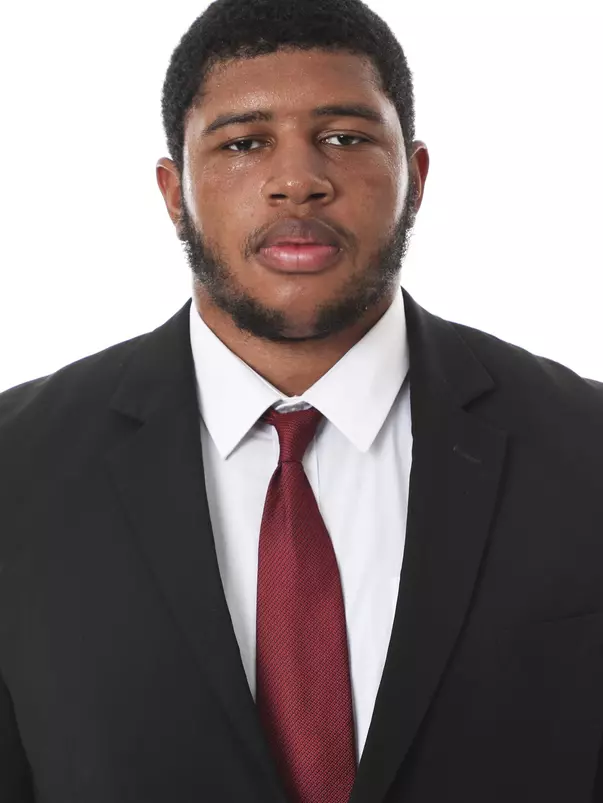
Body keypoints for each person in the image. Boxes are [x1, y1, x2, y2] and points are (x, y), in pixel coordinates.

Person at [1, 0, 602, 800]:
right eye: (244, 143)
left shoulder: (583, 449)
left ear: (414, 178)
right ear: (173, 192)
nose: (298, 181)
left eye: (345, 138)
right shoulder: (18, 469)